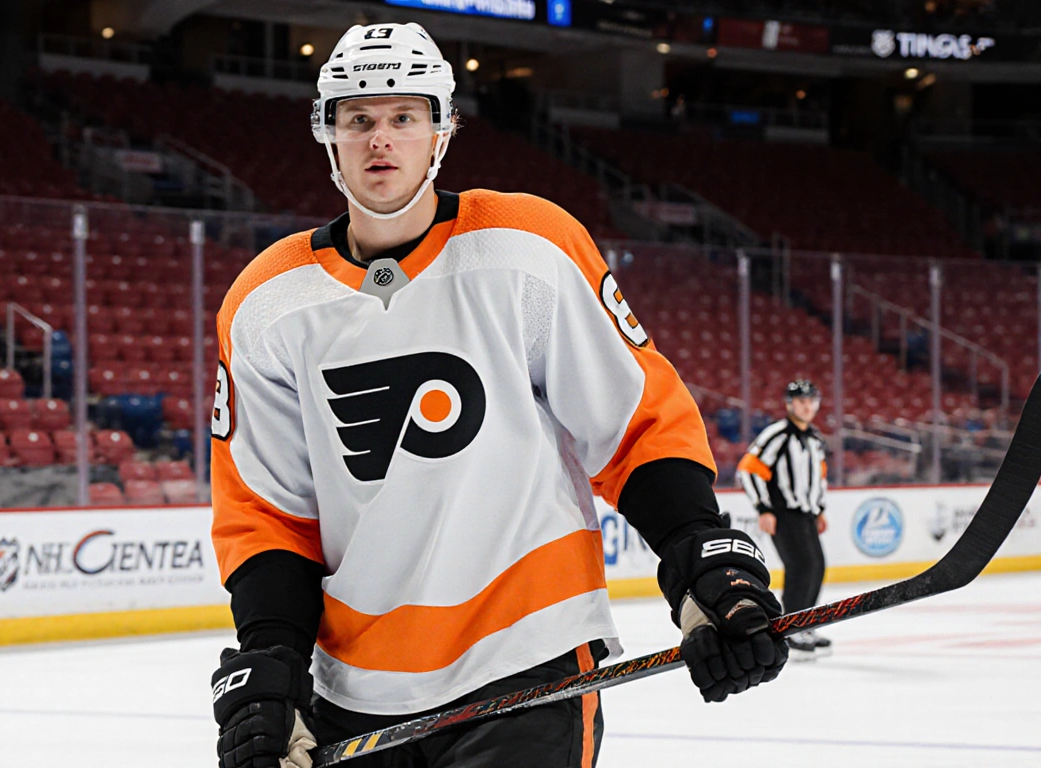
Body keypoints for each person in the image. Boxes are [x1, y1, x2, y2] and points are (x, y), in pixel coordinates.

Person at [208, 22, 788, 768]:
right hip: (354, 688)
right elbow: (268, 514)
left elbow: (633, 423)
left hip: (528, 662)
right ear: (327, 132)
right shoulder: (265, 303)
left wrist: (697, 555)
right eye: (358, 118)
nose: (380, 139)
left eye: (404, 116)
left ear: (442, 129)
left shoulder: (526, 245)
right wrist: (271, 662)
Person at [736, 379, 832, 659]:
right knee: (801, 566)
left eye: (811, 401)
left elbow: (819, 476)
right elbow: (748, 469)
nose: (807, 406)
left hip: (806, 514)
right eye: (801, 401)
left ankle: (806, 623)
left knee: (816, 566)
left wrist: (819, 509)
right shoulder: (777, 434)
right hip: (783, 513)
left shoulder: (814, 439)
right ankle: (791, 628)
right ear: (790, 405)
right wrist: (763, 508)